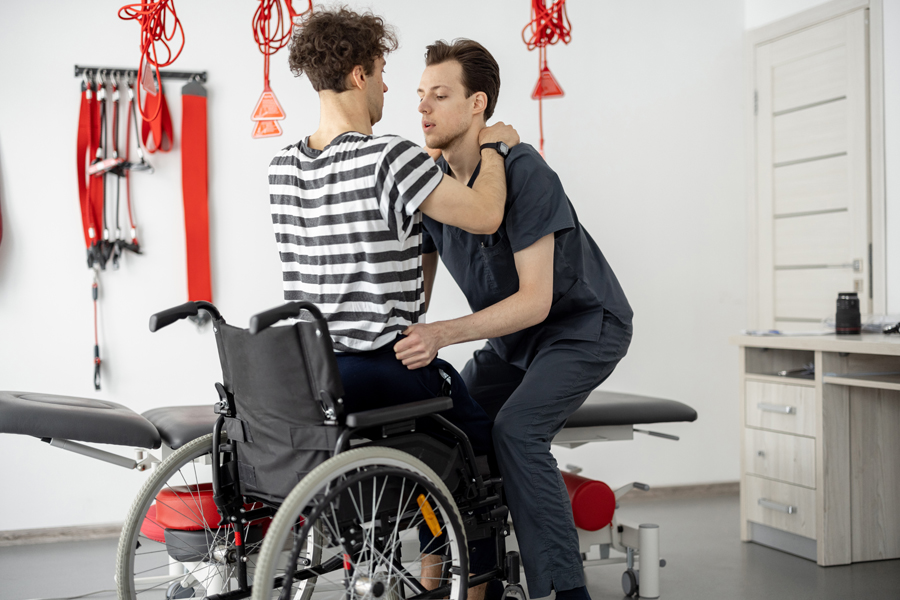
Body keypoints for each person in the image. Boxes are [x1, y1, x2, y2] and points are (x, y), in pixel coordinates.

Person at [267, 9, 519, 585]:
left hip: (312, 376)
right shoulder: (390, 157)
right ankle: (463, 584)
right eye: (382, 73)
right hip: (384, 368)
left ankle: (431, 570)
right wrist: (497, 149)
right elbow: (486, 215)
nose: (388, 89)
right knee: (479, 449)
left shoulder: (280, 167)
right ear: (359, 74)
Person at [395, 39, 634, 600]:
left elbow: (535, 301)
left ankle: (564, 592)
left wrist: (441, 337)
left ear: (478, 104)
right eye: (420, 96)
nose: (423, 108)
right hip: (512, 340)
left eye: (440, 94)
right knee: (446, 432)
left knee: (518, 431)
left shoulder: (524, 171)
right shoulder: (433, 186)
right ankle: (462, 579)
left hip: (580, 328)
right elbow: (417, 300)